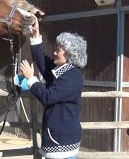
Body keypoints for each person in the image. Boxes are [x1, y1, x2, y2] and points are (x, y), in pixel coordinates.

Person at [20, 21, 87, 159]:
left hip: (62, 142)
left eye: (59, 50)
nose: (55, 52)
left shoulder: (71, 77)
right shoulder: (63, 72)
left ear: (69, 54)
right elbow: (42, 61)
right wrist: (36, 35)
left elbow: (47, 97)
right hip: (60, 139)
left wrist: (31, 79)